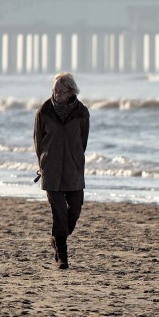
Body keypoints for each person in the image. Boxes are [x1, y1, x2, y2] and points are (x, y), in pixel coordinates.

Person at [34, 72, 90, 270]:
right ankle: (62, 256)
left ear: (70, 91)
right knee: (59, 213)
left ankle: (57, 238)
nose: (56, 94)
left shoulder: (82, 112)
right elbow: (38, 140)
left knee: (74, 210)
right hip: (51, 168)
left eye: (60, 91)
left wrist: (75, 158)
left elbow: (82, 141)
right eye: (54, 90)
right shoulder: (44, 111)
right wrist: (43, 162)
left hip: (74, 168)